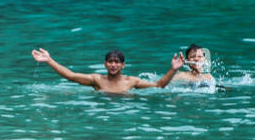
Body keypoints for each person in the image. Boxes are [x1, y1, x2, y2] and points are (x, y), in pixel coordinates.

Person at [31, 47, 183, 93]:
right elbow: (70, 76)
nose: (113, 65)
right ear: (105, 64)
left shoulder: (131, 81)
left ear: (123, 65)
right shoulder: (97, 80)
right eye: (110, 62)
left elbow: (159, 86)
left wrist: (173, 69)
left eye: (117, 62)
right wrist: (49, 60)